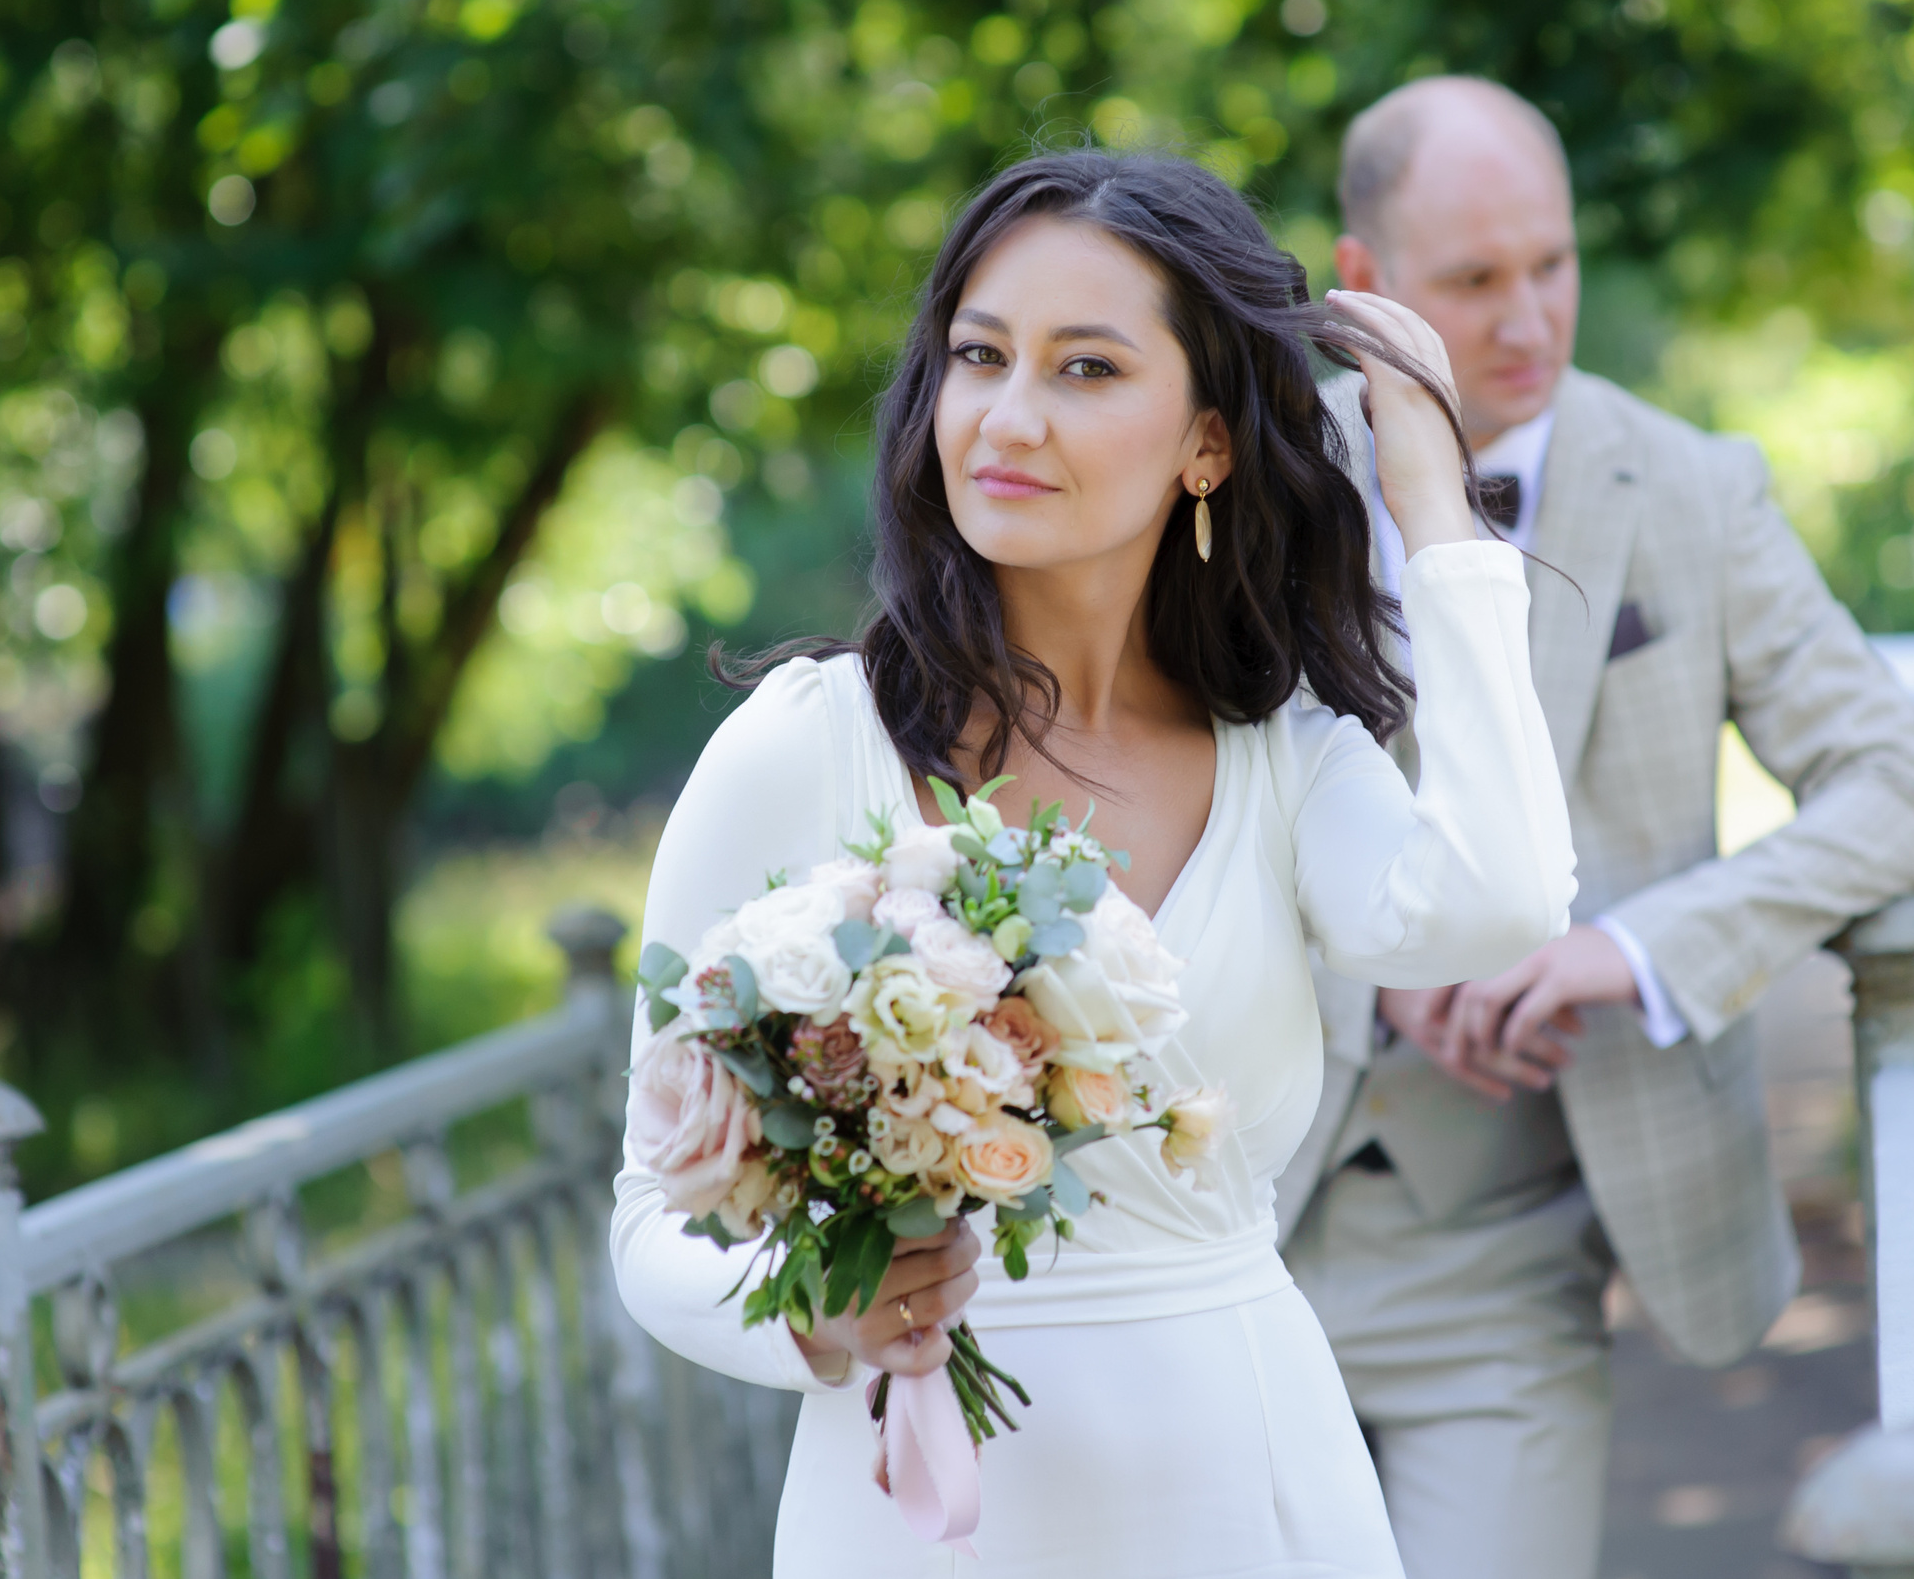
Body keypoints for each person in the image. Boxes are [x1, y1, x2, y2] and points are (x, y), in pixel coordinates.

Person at [611, 148, 1579, 1578]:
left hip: (1253, 1497)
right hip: (927, 1514)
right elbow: (648, 1214)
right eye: (980, 357)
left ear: (1208, 441)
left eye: (1085, 370)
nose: (1006, 417)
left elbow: (1501, 898)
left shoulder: (1288, 758)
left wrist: (1434, 496)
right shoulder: (804, 748)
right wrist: (813, 1312)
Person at [1276, 77, 1914, 1579]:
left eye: (1555, 261)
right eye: (1472, 280)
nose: (1529, 315)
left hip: (1505, 1263)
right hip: (1225, 1230)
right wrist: (1382, 956)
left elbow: (1902, 788)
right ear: (1367, 285)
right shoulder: (1250, 492)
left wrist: (1633, 949)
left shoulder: (1697, 495)